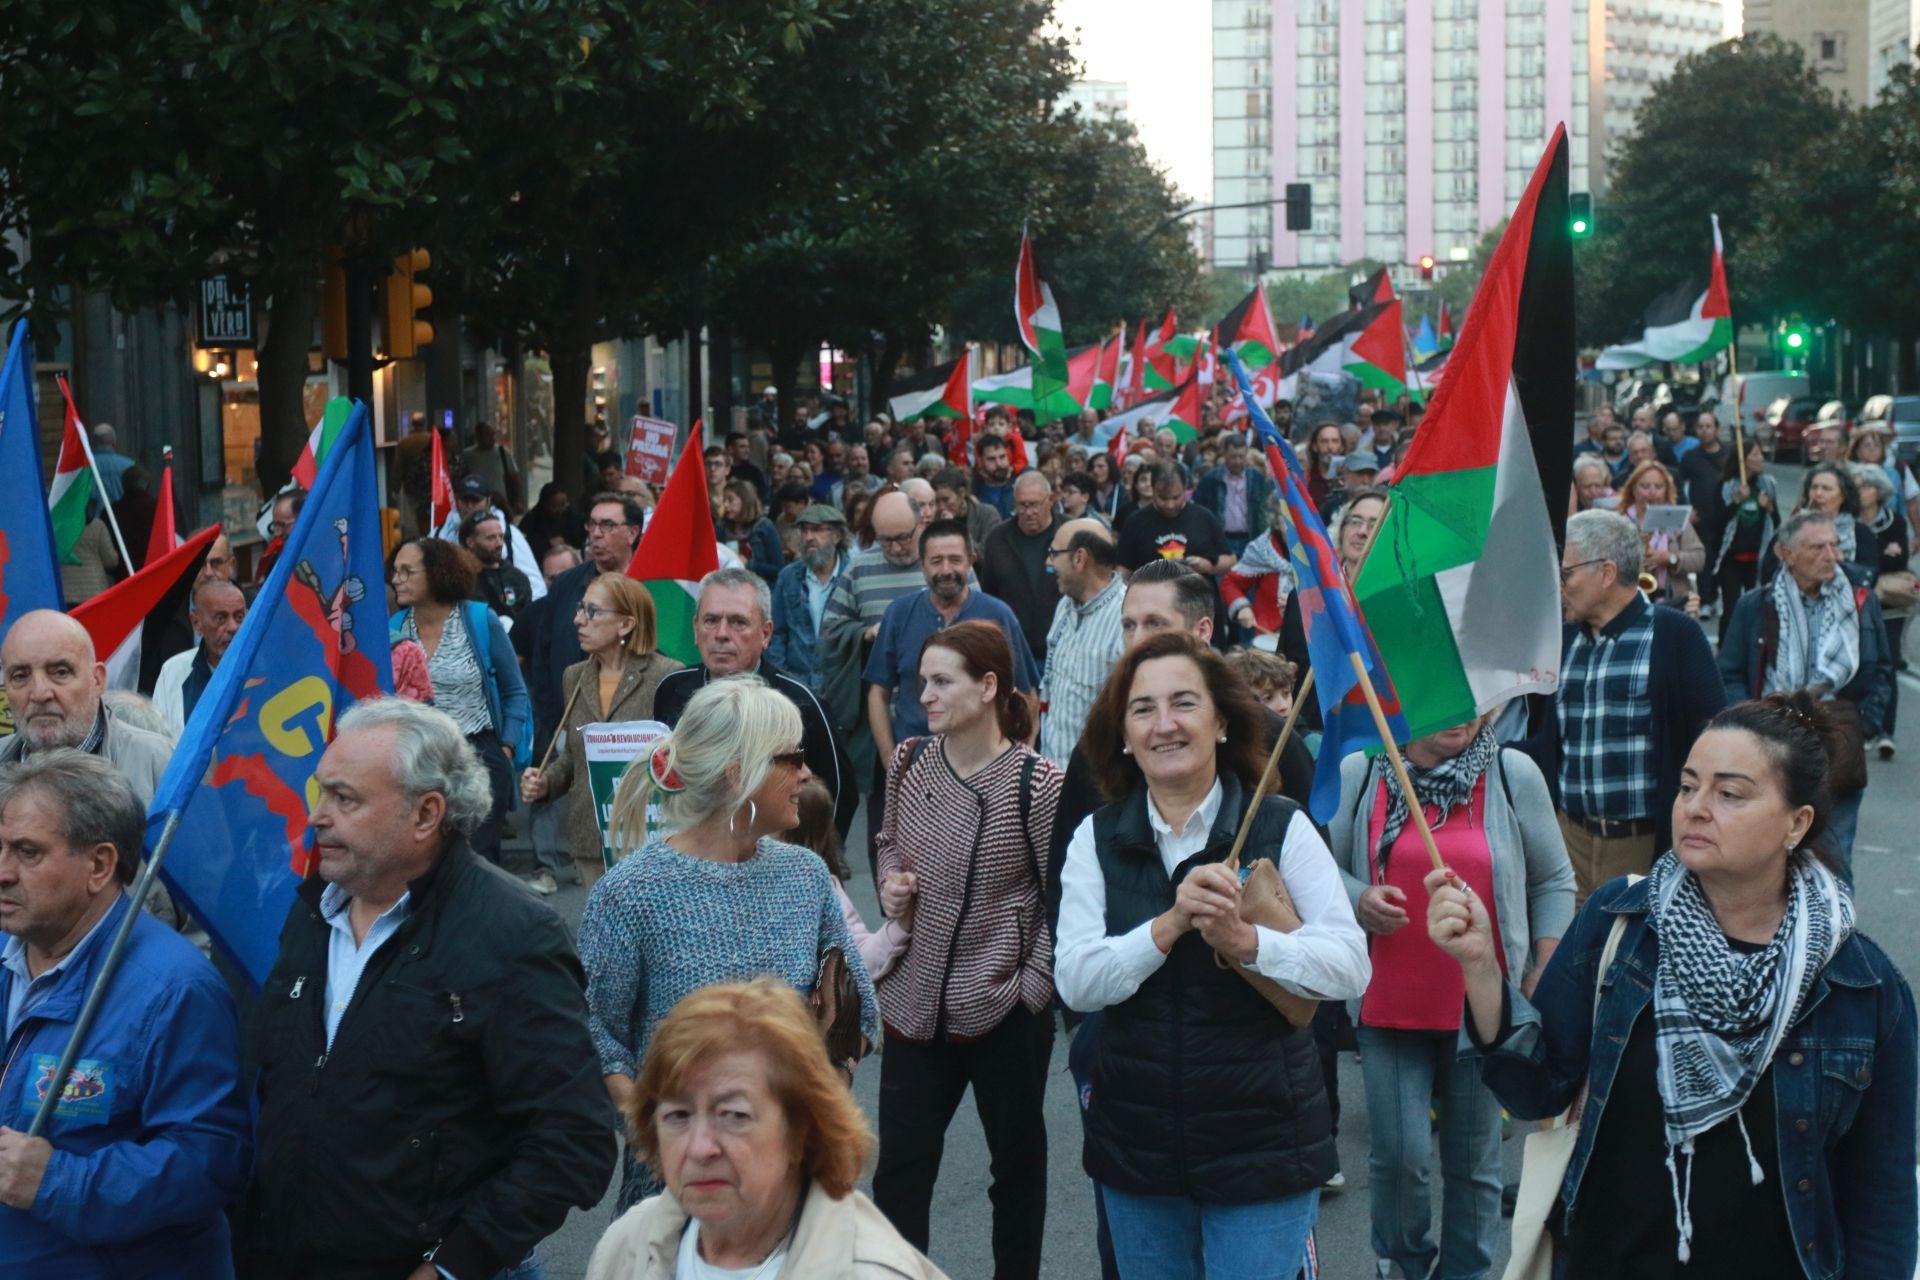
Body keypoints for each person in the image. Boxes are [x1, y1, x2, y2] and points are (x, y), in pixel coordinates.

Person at [1430, 693, 1917, 1276]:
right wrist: (1481, 967)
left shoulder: (1861, 985)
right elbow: (1535, 1089)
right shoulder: (1620, 923)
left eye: (1730, 793)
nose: (1696, 807)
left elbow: (1883, 1205)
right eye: (1688, 787)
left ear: (1797, 822)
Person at [248, 698, 617, 1278]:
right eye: (321, 793)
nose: (318, 815)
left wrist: (454, 1265)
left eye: (344, 798)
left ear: (425, 815)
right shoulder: (312, 913)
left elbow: (574, 1138)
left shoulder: (513, 933)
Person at [1055, 633, 1370, 1280]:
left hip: (1264, 1145)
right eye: (1142, 709)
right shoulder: (1098, 836)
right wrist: (1168, 925)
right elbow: (1077, 981)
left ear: (1221, 721)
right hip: (1136, 1147)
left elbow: (1349, 965)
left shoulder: (1281, 825)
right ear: (1122, 733)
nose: (1163, 724)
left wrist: (1248, 942)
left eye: (1183, 703)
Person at [580, 677, 879, 1211]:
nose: (807, 774)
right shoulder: (630, 894)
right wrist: (660, 1142)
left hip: (794, 1186)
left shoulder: (806, 875)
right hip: (676, 1197)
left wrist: (820, 1109)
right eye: (793, 758)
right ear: (740, 773)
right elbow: (597, 1033)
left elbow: (857, 1013)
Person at [1329, 714, 1574, 1279]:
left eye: (1475, 702)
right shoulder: (1362, 772)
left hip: (1482, 1009)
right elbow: (1320, 873)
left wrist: (1545, 963)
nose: (1465, 716)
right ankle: (1404, 1265)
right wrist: (1361, 897)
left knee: (1475, 1163)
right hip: (1387, 1001)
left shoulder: (1512, 772)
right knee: (1399, 1158)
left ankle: (1466, 1274)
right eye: (1446, 701)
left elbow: (1553, 879)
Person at [0, 751, 248, 1277]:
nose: (3, 872)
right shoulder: (8, 948)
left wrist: (56, 1182)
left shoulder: (175, 989)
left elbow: (210, 1161)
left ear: (99, 865)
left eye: (26, 852)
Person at [871, 621, 1062, 1278]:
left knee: (1016, 1168)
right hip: (915, 1000)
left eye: (941, 681)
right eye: (921, 680)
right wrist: (892, 887)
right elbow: (886, 841)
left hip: (1001, 1006)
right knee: (899, 1169)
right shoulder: (908, 760)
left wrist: (1028, 985)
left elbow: (1057, 899)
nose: (923, 694)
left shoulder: (1036, 784)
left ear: (988, 688)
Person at [587, 980, 945, 1279]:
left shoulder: (870, 1273)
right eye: (678, 1115)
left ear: (801, 1130)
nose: (699, 1148)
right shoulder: (626, 1248)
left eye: (733, 1115)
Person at [1545, 511, 1724, 904]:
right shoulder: (1562, 640)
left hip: (1644, 846)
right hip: (1568, 843)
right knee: (1572, 962)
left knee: (1629, 960)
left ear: (1606, 573)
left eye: (1567, 574)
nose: (1559, 587)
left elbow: (1716, 739)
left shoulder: (1675, 636)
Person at [1719, 512, 1892, 883]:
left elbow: (1881, 669)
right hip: (1771, 739)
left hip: (1838, 740)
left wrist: (1866, 723)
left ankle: (1834, 937)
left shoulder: (1860, 600)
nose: (1831, 555)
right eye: (1818, 547)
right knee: (1770, 851)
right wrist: (1748, 722)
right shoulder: (1756, 605)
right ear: (1787, 553)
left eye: (1834, 545)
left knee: (1834, 858)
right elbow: (1730, 670)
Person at [653, 569, 856, 838]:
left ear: (765, 633)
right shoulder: (671, 689)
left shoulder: (800, 702)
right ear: (695, 628)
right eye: (711, 620)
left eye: (738, 622)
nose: (722, 634)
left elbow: (838, 794)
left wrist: (811, 859)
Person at [520, 574, 683, 892]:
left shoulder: (667, 676)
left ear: (626, 625)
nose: (578, 620)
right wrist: (545, 783)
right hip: (589, 841)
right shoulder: (574, 676)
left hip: (647, 838)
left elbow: (683, 759)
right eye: (581, 609)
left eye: (592, 612)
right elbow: (573, 756)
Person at [388, 537, 530, 866]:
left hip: (480, 758)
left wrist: (506, 747)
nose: (397, 580)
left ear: (438, 572)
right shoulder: (393, 630)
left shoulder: (479, 620)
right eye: (395, 571)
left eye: (408, 571)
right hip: (420, 764)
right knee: (428, 860)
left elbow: (515, 691)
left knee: (478, 861)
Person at [865, 519, 1039, 769]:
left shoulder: (998, 616)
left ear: (971, 561)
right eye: (936, 561)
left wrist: (1020, 763)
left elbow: (1026, 694)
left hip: (985, 767)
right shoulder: (899, 614)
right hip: (914, 765)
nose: (946, 570)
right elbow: (878, 693)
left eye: (955, 560)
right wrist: (890, 760)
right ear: (921, 564)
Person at [529, 492, 646, 781]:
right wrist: (552, 720)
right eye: (591, 525)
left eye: (607, 525)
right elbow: (543, 655)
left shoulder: (650, 589)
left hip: (632, 745)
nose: (596, 534)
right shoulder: (565, 585)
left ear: (632, 532)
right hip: (564, 736)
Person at [0, 611, 172, 800]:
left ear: (97, 680)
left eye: (60, 673)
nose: (40, 693)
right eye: (20, 676)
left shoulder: (161, 762)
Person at [1038, 518, 1124, 765]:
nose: (1048, 562)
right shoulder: (1066, 604)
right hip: (1054, 776)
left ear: (1079, 558)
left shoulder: (1127, 616)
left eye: (1054, 553)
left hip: (1099, 787)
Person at [977, 471, 1062, 666]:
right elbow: (989, 595)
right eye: (1021, 505)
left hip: (1062, 651)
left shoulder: (1068, 533)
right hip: (1014, 653)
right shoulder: (998, 539)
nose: (1028, 512)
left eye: (1034, 505)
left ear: (1050, 500)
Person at [770, 503, 851, 694]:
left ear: (836, 536)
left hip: (840, 687)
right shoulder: (788, 577)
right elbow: (776, 633)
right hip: (796, 685)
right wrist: (780, 680)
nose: (808, 537)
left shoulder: (853, 575)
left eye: (816, 530)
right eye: (804, 530)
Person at [1115, 461, 1235, 589]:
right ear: (1153, 489)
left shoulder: (1204, 517)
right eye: (1163, 498)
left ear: (1185, 488)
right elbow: (1123, 571)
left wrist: (1208, 566)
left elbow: (1230, 560)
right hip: (1153, 601)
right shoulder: (1135, 521)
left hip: (1198, 600)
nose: (1170, 505)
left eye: (1176, 497)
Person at [151, 578, 247, 736]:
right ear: (196, 623)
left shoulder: (266, 669)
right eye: (221, 618)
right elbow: (159, 740)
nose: (233, 627)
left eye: (239, 617)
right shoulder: (173, 671)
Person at [437, 474, 547, 600]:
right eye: (465, 500)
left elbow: (536, 587)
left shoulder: (511, 535)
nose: (470, 506)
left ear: (488, 501)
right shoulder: (440, 534)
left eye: (475, 500)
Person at [1617, 459, 1707, 603]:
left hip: (1672, 598)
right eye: (1645, 486)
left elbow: (1699, 558)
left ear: (1667, 490)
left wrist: (1670, 559)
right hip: (1627, 600)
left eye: (1658, 487)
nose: (1652, 492)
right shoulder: (1619, 521)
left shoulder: (1677, 519)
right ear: (1633, 489)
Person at [1194, 432, 1276, 557]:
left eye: (1241, 457)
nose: (1237, 461)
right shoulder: (1210, 480)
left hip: (1251, 540)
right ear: (1224, 453)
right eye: (1233, 457)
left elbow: (1265, 512)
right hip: (1222, 541)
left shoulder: (1257, 479)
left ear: (1246, 454)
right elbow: (1201, 512)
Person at [462, 508, 535, 627]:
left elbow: (528, 622)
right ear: (470, 542)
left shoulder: (517, 578)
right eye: (490, 538)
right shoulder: (460, 580)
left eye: (501, 537)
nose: (499, 543)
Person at [715, 478, 784, 585]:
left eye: (730, 500)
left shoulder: (764, 526)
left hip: (758, 590)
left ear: (745, 500)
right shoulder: (721, 528)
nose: (726, 505)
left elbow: (778, 568)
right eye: (724, 500)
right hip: (728, 587)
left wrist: (749, 565)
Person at [459, 419, 525, 516]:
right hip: (476, 503)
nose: (492, 438)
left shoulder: (503, 453)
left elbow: (514, 478)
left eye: (493, 435)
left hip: (501, 504)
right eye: (488, 435)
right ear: (478, 436)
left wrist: (517, 501)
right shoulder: (468, 456)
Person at [59, 515, 120, 607]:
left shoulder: (57, 525)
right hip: (95, 591)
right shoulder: (98, 525)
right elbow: (110, 561)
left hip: (67, 592)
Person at [520, 481, 586, 553]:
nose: (560, 510)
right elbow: (523, 543)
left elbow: (580, 541)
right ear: (545, 505)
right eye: (555, 506)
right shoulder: (532, 519)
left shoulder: (572, 517)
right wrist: (547, 543)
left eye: (563, 504)